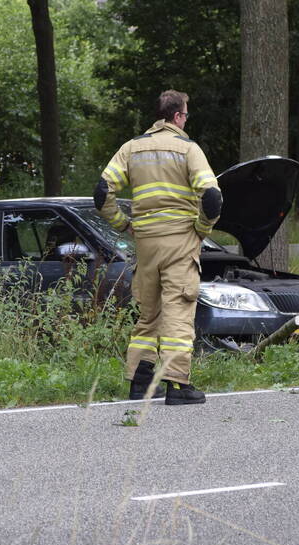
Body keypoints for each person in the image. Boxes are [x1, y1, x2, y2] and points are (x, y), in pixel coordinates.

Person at [95, 90, 222, 405]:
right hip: (180, 241)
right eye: (186, 114)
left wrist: (123, 224)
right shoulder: (188, 150)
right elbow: (212, 197)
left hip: (146, 243)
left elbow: (101, 192)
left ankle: (140, 381)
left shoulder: (131, 148)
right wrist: (202, 229)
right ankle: (177, 386)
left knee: (148, 313)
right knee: (178, 311)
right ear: (178, 116)